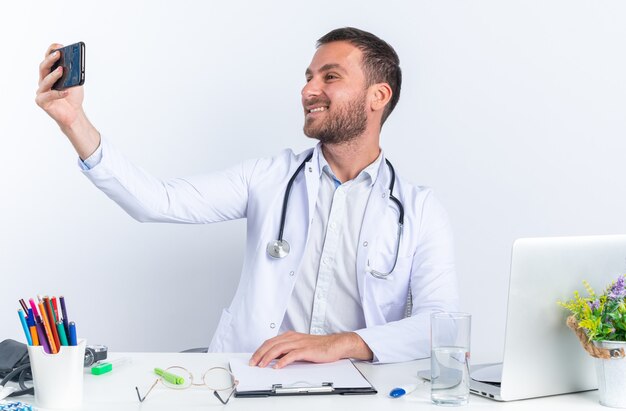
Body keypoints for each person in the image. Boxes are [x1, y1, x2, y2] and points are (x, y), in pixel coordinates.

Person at [36, 27, 459, 367]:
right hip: (253, 380)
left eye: (330, 76)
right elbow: (157, 201)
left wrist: (341, 344)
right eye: (308, 77)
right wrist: (74, 121)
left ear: (378, 97)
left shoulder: (419, 210)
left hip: (358, 388)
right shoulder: (268, 177)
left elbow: (441, 326)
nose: (309, 90)